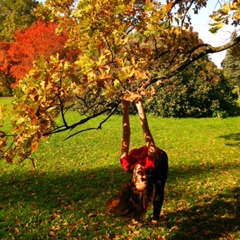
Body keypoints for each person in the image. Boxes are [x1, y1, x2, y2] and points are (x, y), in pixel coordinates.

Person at [107, 91, 168, 224]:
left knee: (149, 191)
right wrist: (140, 107)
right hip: (160, 159)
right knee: (159, 186)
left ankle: (148, 215)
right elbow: (147, 133)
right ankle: (153, 216)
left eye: (139, 180)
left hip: (145, 157)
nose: (142, 176)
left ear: (133, 180)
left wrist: (126, 107)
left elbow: (126, 133)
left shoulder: (127, 164)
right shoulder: (151, 163)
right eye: (144, 179)